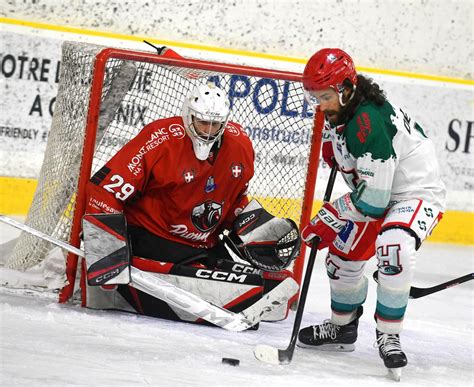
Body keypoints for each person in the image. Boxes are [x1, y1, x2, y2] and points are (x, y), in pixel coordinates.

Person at [84, 82, 299, 322]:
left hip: (203, 244)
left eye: (215, 124)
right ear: (189, 116)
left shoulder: (240, 146)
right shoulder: (160, 138)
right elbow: (106, 189)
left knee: (275, 281)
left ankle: (206, 276)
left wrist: (254, 228)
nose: (208, 130)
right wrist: (105, 251)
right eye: (202, 122)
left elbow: (233, 199)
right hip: (152, 236)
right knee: (228, 285)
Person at [297, 48, 446, 375]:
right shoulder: (341, 110)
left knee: (393, 248)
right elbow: (362, 179)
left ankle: (389, 336)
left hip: (414, 194)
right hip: (379, 191)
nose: (320, 105)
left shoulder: (367, 122)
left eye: (325, 96)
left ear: (347, 88)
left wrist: (330, 216)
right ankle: (343, 326)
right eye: (315, 97)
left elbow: (374, 202)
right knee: (339, 259)